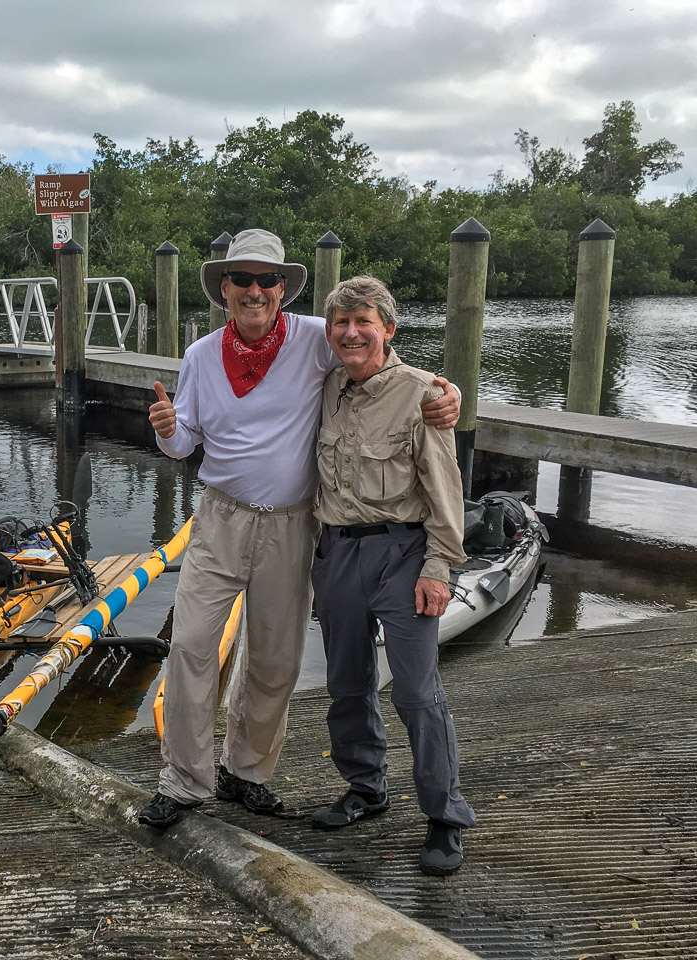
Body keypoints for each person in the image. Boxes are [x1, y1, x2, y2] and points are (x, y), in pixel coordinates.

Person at [140, 229, 460, 829]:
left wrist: (451, 394)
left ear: (282, 288)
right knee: (190, 646)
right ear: (224, 290)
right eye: (242, 280)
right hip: (220, 517)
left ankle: (247, 772)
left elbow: (384, 366)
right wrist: (165, 427)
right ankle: (183, 781)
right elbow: (185, 442)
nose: (255, 291)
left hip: (294, 525)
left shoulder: (317, 338)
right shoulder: (201, 355)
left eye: (267, 280)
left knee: (276, 658)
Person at [309, 275, 474, 876]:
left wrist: (439, 566)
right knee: (347, 682)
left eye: (364, 322)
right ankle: (366, 788)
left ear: (389, 329)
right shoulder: (325, 385)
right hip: (336, 555)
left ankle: (444, 813)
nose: (351, 333)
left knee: (415, 691)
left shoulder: (424, 394)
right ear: (329, 334)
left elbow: (446, 491)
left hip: (404, 554)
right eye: (340, 324)